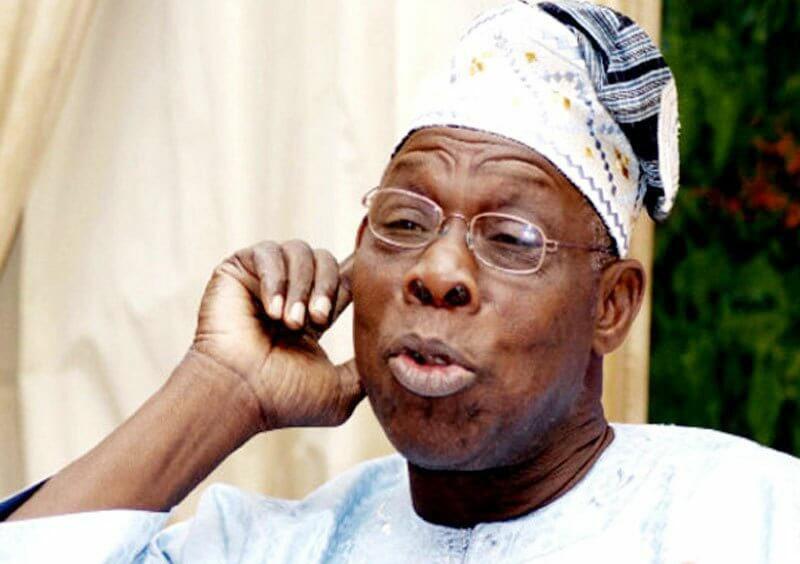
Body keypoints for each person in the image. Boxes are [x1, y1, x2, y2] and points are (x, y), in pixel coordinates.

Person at [1, 1, 798, 562]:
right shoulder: (271, 547)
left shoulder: (753, 520)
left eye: (510, 238)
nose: (437, 271)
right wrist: (221, 389)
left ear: (612, 304)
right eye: (407, 223)